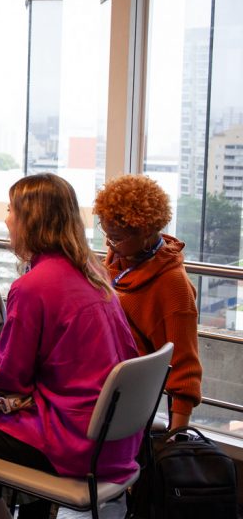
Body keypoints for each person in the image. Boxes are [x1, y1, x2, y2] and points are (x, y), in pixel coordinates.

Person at [0, 174, 139, 519]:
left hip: (72, 442)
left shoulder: (33, 286)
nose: (5, 219)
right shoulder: (92, 272)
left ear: (29, 220)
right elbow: (36, 352)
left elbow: (11, 380)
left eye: (10, 211)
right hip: (113, 443)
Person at [94, 174, 201, 431]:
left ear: (145, 232)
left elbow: (184, 368)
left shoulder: (173, 285)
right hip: (98, 378)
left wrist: (176, 435)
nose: (110, 244)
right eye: (106, 235)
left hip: (120, 398)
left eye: (116, 237)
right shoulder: (119, 258)